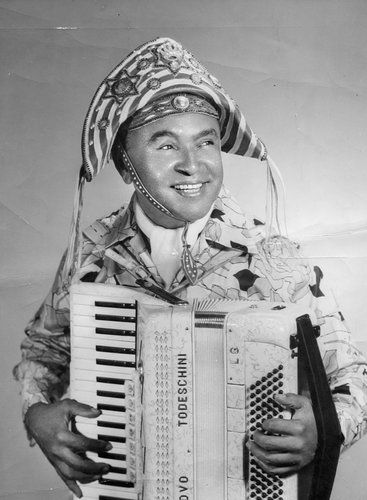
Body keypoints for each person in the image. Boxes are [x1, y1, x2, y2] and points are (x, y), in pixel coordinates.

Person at [13, 37, 367, 498]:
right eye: (165, 145)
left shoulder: (276, 256)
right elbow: (43, 351)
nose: (192, 165)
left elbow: (354, 377)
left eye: (207, 142)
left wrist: (326, 428)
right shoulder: (91, 252)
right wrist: (36, 413)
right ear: (125, 165)